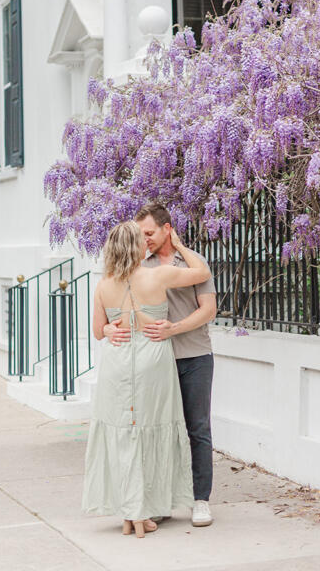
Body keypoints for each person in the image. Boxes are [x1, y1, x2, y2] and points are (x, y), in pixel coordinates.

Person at [82, 219, 211, 538]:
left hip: (117, 361)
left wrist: (110, 327)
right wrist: (178, 244)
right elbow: (201, 272)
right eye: (142, 240)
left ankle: (132, 512)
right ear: (135, 247)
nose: (147, 244)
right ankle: (145, 508)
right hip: (152, 359)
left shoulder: (103, 285)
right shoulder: (158, 275)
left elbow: (98, 331)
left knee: (124, 433)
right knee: (153, 430)